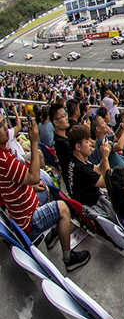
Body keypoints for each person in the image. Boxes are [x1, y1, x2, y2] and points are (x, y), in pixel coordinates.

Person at [0, 114, 91, 270]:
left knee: (44, 189)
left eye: (4, 123)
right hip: (27, 221)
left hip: (21, 212)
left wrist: (32, 186)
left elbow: (15, 183)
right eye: (1, 126)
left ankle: (49, 236)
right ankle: (69, 259)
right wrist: (34, 141)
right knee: (62, 208)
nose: (6, 128)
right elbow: (34, 176)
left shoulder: (4, 156)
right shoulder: (4, 160)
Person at [66, 123, 115, 219]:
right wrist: (105, 159)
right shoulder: (82, 169)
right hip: (94, 209)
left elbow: (99, 170)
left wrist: (104, 155)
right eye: (87, 142)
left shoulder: (77, 162)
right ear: (78, 147)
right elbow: (108, 182)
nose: (90, 144)